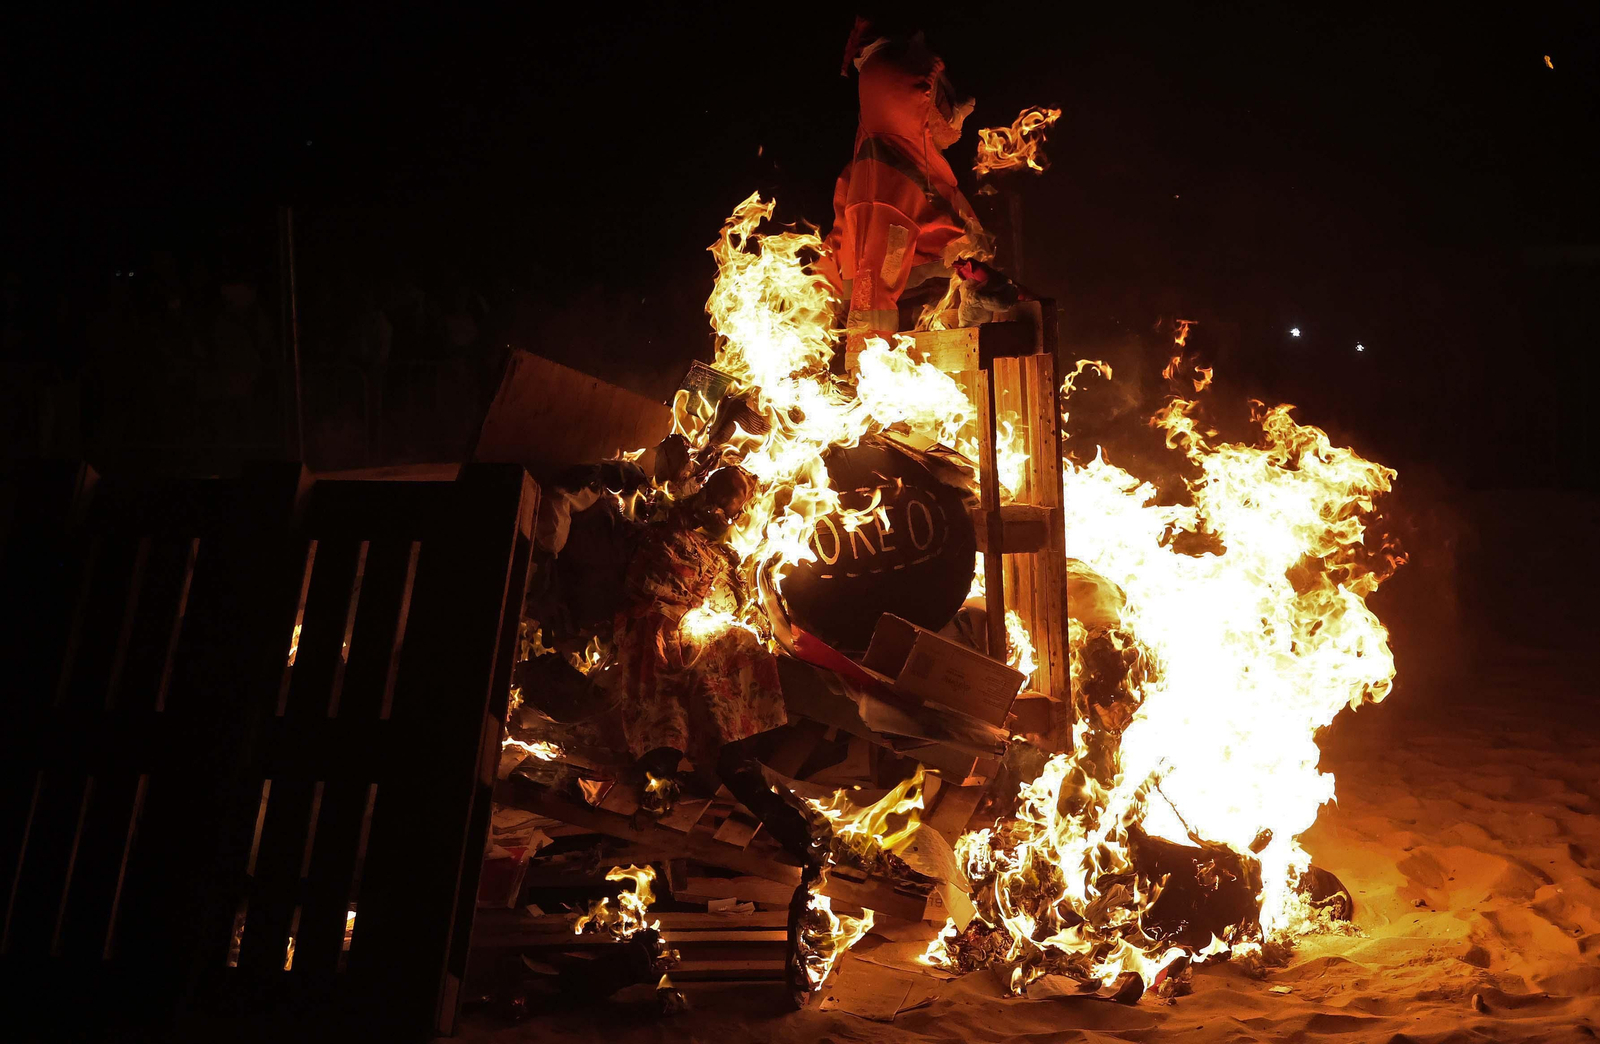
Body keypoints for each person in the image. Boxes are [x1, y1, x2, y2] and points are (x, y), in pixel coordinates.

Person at [817, 19, 992, 353]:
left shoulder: (880, 170)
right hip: (886, 347)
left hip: (912, 314)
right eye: (938, 101)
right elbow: (872, 287)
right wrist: (869, 364)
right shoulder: (885, 191)